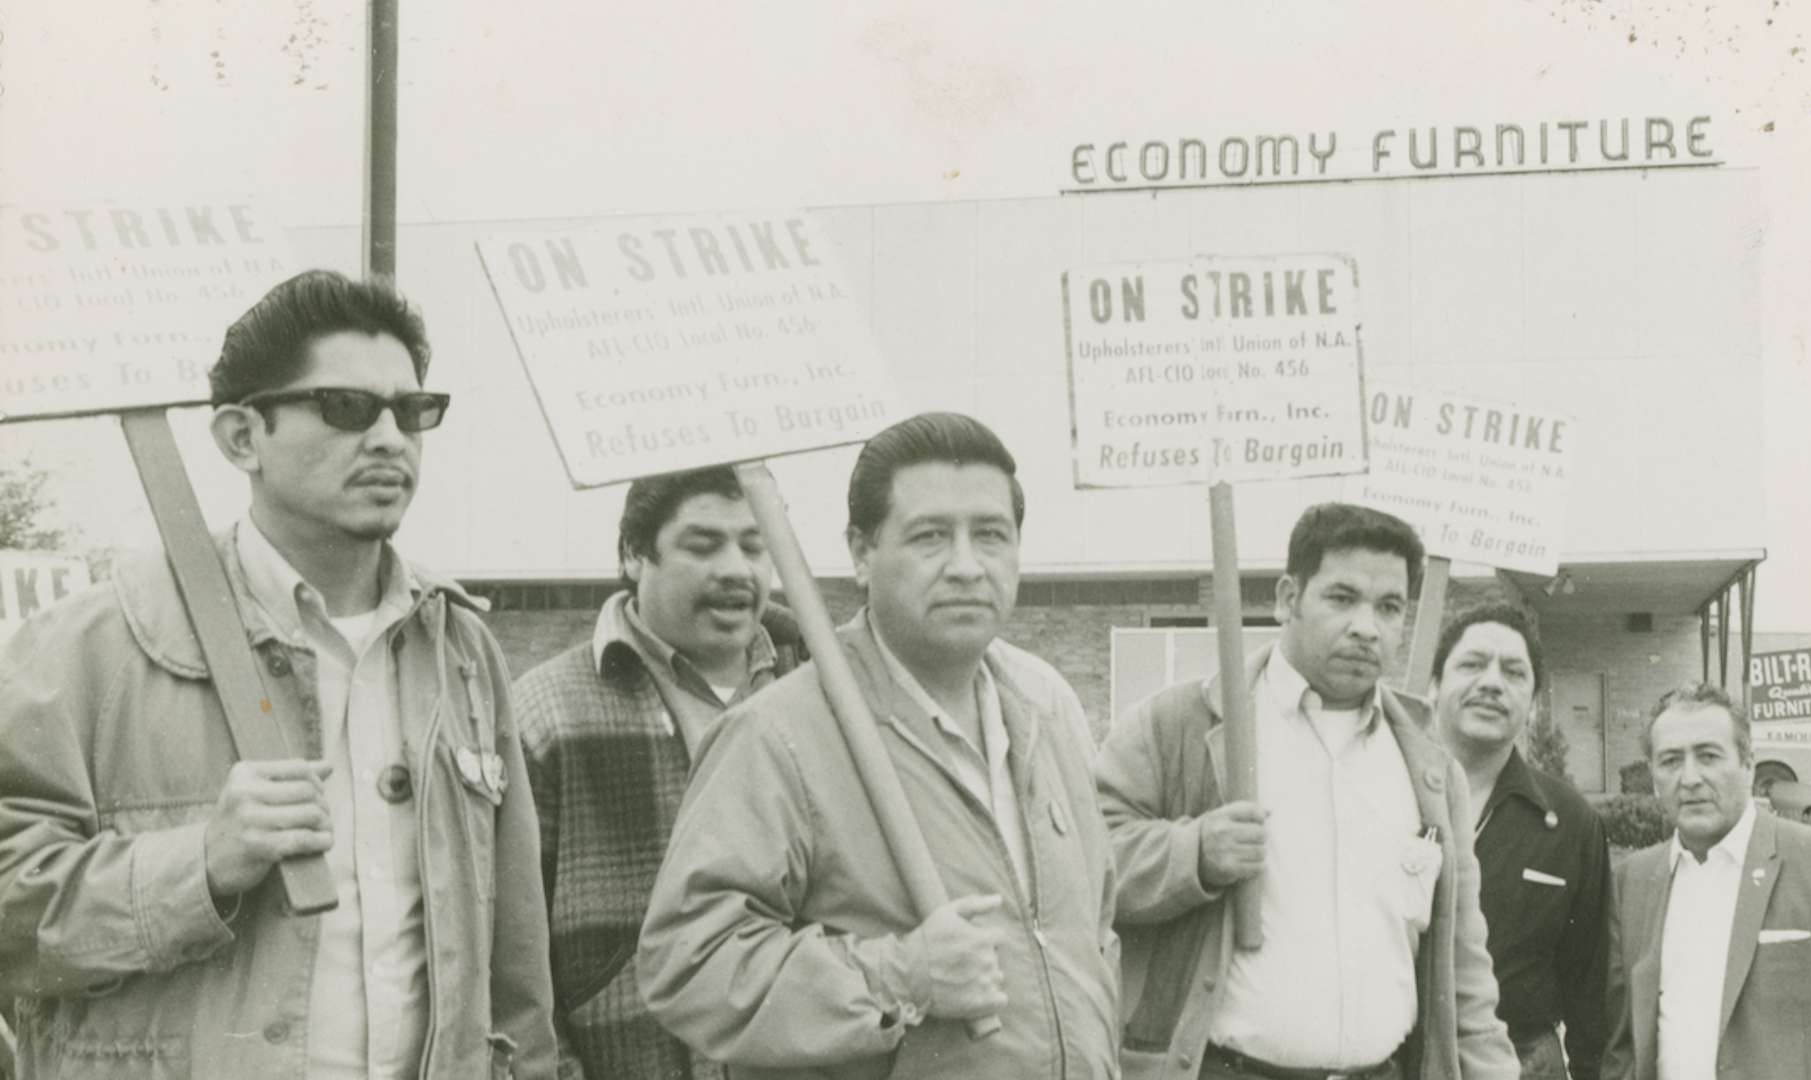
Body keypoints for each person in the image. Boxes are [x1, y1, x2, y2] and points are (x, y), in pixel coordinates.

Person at [0, 270, 557, 1079]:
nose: (389, 440)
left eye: (412, 411)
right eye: (345, 408)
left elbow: (514, 958)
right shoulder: (92, 645)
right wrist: (199, 864)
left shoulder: (460, 647)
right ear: (239, 437)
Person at [637, 412, 1118, 1079]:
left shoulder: (1049, 709)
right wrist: (900, 977)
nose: (966, 566)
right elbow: (688, 963)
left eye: (991, 535)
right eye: (930, 537)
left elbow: (1096, 933)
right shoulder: (778, 735)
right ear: (861, 553)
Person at [1097, 502, 1518, 1080]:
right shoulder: (1182, 726)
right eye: (1342, 598)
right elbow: (1082, 869)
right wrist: (1194, 853)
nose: (1366, 627)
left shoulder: (1429, 763)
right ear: (1287, 598)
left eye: (1389, 607)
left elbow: (1465, 972)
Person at [515, 466, 805, 1080]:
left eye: (755, 546)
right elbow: (510, 960)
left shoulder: (826, 700)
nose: (736, 569)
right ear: (631, 554)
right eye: (703, 545)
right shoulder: (546, 715)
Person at [1603, 682, 1811, 1080]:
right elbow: (1622, 1047)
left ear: (1749, 764)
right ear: (1652, 776)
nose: (1690, 777)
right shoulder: (1634, 879)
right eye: (1670, 761)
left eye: (1709, 756)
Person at [1431, 606, 1609, 1080]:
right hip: (1397, 1058)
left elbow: (1590, 983)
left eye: (1514, 672)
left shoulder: (1570, 821)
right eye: (1472, 664)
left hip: (1524, 1060)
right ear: (1434, 686)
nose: (1492, 683)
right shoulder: (1382, 792)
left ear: (1531, 704)